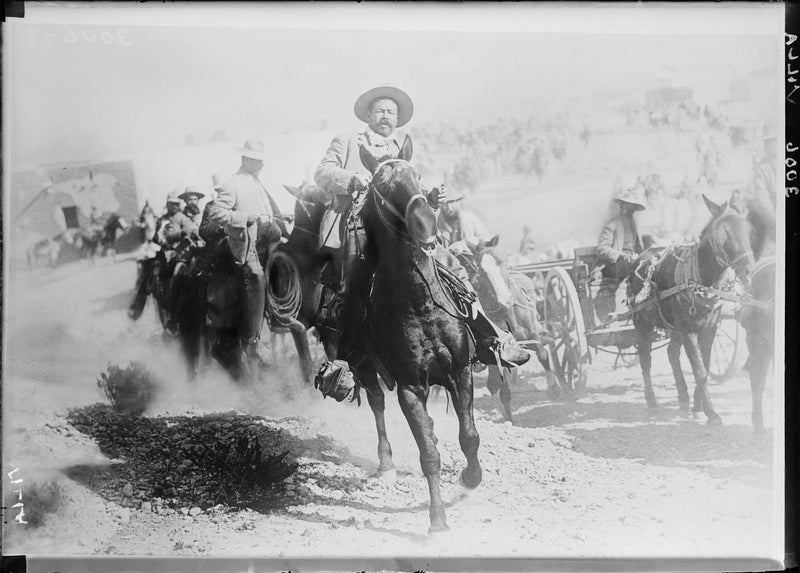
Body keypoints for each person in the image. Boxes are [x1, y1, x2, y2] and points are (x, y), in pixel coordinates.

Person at [315, 85, 528, 369]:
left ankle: (490, 339)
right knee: (354, 287)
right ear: (368, 114)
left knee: (453, 268)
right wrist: (351, 178)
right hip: (359, 230)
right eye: (380, 111)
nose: (385, 116)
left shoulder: (402, 150)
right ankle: (346, 367)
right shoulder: (347, 141)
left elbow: (415, 191)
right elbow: (322, 173)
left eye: (391, 112)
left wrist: (432, 199)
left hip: (402, 234)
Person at [202, 138, 286, 363]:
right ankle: (253, 339)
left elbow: (268, 212)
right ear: (246, 160)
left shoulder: (257, 183)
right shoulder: (233, 183)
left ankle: (283, 320)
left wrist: (279, 223)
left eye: (262, 160)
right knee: (257, 278)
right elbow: (216, 213)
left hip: (266, 239)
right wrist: (242, 218)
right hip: (246, 245)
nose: (262, 165)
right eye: (258, 161)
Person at [595, 186, 646, 321]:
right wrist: (621, 255)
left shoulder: (634, 225)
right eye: (628, 206)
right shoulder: (612, 224)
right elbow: (602, 249)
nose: (631, 210)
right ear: (622, 206)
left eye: (633, 207)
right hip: (612, 266)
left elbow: (638, 248)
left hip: (631, 264)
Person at [166, 185, 206, 331]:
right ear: (185, 201)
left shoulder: (204, 216)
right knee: (177, 276)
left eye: (195, 199)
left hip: (205, 254)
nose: (193, 202)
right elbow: (169, 236)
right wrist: (182, 233)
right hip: (186, 257)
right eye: (190, 199)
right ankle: (173, 319)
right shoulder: (178, 217)